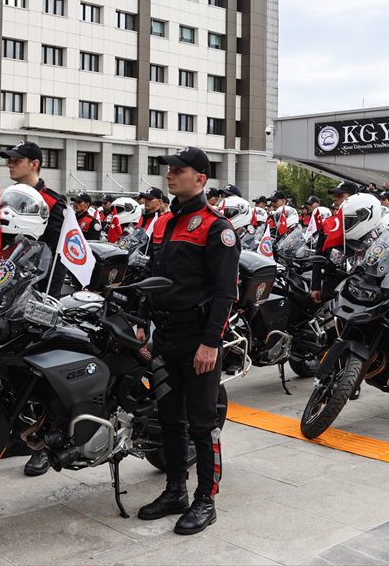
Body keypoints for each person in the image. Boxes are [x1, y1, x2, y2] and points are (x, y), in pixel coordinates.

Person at [137, 146, 239, 535]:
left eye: (178, 169)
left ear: (200, 178)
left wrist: (211, 343)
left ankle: (205, 501)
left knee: (201, 423)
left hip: (199, 339)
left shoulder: (217, 228)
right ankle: (175, 491)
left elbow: (226, 293)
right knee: (168, 421)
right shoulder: (162, 223)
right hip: (165, 337)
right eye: (168, 169)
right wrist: (142, 321)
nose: (170, 174)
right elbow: (152, 275)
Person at [0, 141, 65, 477]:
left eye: (17, 160)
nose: (11, 164)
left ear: (35, 164)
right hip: (5, 293)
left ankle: (45, 441)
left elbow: (56, 255)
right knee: (7, 368)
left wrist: (45, 298)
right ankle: (15, 432)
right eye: (9, 160)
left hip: (36, 296)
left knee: (38, 371)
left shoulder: (54, 203)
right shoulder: (8, 198)